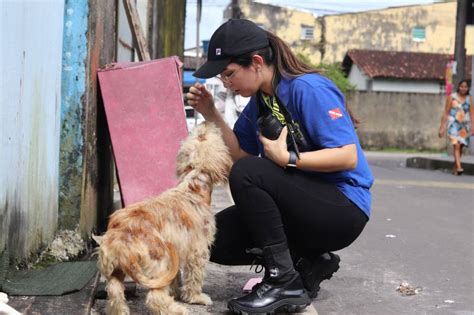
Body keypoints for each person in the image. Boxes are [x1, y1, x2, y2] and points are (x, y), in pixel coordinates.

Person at [186, 19, 373, 314]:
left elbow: (347, 156)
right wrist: (211, 112)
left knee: (248, 173)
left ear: (256, 62)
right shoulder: (261, 100)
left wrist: (289, 159)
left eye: (229, 74)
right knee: (213, 239)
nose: (227, 83)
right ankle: (307, 262)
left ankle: (282, 281)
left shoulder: (307, 88)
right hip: (304, 205)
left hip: (342, 208)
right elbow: (242, 155)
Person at [438, 80, 473, 175]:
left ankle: (455, 168)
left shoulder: (469, 98)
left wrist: (473, 127)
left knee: (461, 146)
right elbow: (446, 113)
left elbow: (472, 114)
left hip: (464, 125)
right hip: (453, 124)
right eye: (462, 86)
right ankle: (459, 167)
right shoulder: (452, 97)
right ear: (459, 87)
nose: (463, 88)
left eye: (465, 87)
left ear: (468, 88)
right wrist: (442, 127)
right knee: (456, 145)